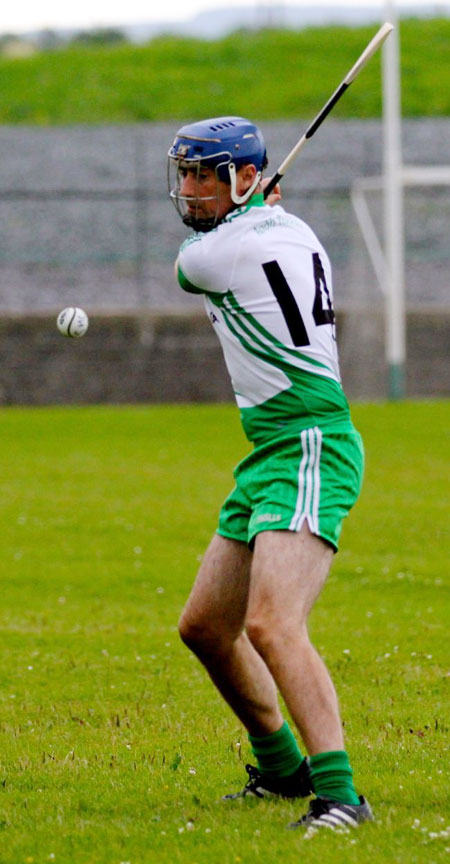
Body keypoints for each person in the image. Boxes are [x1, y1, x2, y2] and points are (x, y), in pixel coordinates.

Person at [167, 116, 373, 831]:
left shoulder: (209, 258)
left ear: (247, 178)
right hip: (269, 449)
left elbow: (192, 263)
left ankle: (341, 797)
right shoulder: (294, 229)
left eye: (206, 175)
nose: (190, 190)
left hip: (310, 439)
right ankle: (283, 769)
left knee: (273, 625)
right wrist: (255, 209)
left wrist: (244, 215)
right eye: (186, 174)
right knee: (204, 627)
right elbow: (252, 234)